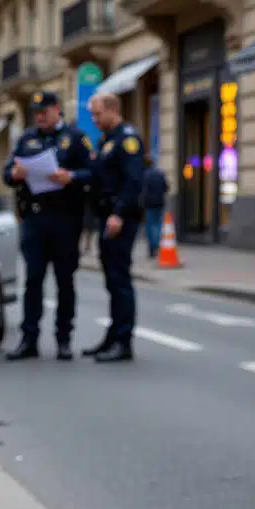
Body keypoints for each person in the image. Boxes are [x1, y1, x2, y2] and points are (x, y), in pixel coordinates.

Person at [2, 91, 93, 361]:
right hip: (34, 218)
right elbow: (8, 173)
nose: (39, 117)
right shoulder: (27, 139)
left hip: (65, 218)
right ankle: (29, 338)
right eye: (36, 113)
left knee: (65, 281)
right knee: (33, 280)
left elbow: (93, 172)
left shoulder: (75, 139)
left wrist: (71, 177)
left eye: (44, 112)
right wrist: (14, 175)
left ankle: (63, 338)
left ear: (57, 110)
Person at [82, 92, 145, 363]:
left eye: (97, 114)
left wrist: (118, 214)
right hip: (105, 217)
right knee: (111, 280)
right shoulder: (106, 140)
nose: (94, 119)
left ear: (112, 110)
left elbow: (133, 181)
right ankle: (112, 336)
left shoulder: (127, 139)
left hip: (120, 219)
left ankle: (123, 341)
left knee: (120, 281)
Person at [141, 155, 169, 258]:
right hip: (159, 203)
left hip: (149, 204)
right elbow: (166, 187)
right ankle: (156, 245)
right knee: (157, 225)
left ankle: (152, 247)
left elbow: (142, 190)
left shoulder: (144, 175)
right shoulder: (160, 173)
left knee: (150, 226)